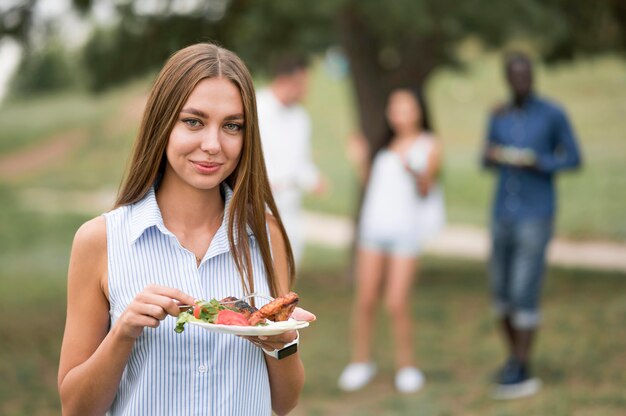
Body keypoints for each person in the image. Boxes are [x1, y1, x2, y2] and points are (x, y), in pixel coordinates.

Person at [57, 43, 315, 416]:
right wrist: (123, 332)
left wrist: (282, 341)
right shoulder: (100, 241)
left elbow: (285, 401)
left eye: (232, 126)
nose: (212, 145)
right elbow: (76, 409)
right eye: (193, 121)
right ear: (163, 123)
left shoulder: (267, 235)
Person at [482, 52, 582, 400]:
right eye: (514, 75)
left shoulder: (552, 113)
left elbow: (573, 158)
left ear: (533, 76)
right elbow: (486, 158)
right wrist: (494, 154)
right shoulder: (499, 114)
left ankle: (521, 366)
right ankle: (514, 357)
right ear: (507, 78)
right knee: (500, 292)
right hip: (502, 213)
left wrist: (539, 161)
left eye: (526, 75)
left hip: (536, 213)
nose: (521, 80)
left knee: (524, 289)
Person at [338, 87, 445, 394]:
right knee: (366, 299)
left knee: (396, 302)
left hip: (405, 235)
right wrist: (360, 160)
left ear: (419, 111)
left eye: (406, 107)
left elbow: (427, 188)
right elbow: (374, 185)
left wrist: (416, 172)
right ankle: (360, 362)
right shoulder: (384, 145)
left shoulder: (428, 144)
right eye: (394, 107)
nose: (399, 113)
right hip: (373, 232)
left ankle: (407, 367)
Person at [256, 54, 326, 267]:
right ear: (284, 80)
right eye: (301, 84)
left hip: (290, 206)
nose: (305, 90)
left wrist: (314, 179)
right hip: (259, 204)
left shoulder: (300, 118)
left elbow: (301, 162)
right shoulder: (257, 107)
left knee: (288, 265)